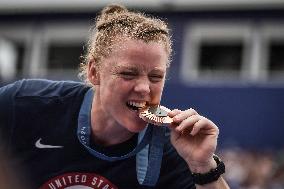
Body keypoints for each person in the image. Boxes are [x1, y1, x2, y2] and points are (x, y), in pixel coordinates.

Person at [0, 4, 230, 189]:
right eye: (128, 74)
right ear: (94, 72)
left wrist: (203, 166)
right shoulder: (26, 104)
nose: (144, 88)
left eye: (156, 77)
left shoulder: (172, 146)